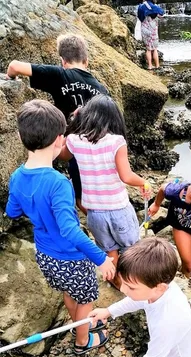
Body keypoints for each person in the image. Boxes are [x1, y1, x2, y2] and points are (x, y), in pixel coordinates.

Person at [5, 100, 116, 354]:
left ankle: (79, 325)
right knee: (86, 297)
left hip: (45, 256)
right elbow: (69, 230)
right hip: (71, 258)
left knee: (69, 292)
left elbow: (12, 211)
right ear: (59, 140)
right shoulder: (58, 183)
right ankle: (82, 341)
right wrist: (101, 259)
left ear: (22, 138)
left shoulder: (16, 177)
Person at [6, 33, 108, 214]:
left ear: (63, 60)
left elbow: (14, 66)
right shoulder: (101, 88)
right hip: (97, 144)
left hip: (72, 146)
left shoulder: (59, 74)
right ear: (86, 60)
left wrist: (11, 78)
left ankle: (95, 221)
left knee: (80, 196)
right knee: (97, 188)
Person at [59, 94, 149, 289]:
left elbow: (63, 155)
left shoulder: (75, 140)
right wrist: (144, 182)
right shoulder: (116, 142)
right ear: (114, 118)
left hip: (94, 213)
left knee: (110, 252)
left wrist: (74, 122)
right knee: (131, 250)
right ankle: (135, 284)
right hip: (119, 209)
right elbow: (126, 176)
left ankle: (116, 283)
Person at [137, 0, 164, 71]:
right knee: (155, 49)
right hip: (153, 31)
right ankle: (157, 65)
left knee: (148, 50)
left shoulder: (141, 7)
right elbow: (161, 14)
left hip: (145, 31)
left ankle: (150, 66)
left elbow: (140, 17)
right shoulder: (155, 8)